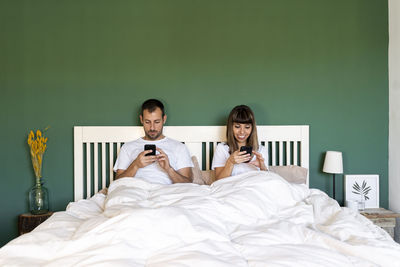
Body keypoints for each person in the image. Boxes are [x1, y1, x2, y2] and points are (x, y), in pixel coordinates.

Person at [113, 99, 193, 184]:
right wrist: (136, 165)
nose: (152, 128)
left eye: (157, 122)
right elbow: (117, 183)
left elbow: (188, 183)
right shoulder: (127, 147)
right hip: (135, 191)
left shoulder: (179, 147)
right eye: (147, 122)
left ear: (164, 119)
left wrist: (169, 169)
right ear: (141, 119)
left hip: (167, 193)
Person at [211, 105, 268, 180]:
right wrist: (230, 162)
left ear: (252, 128)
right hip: (234, 189)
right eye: (237, 126)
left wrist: (262, 166)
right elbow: (218, 182)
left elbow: (268, 181)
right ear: (231, 127)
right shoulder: (222, 148)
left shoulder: (261, 150)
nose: (242, 132)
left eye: (247, 127)